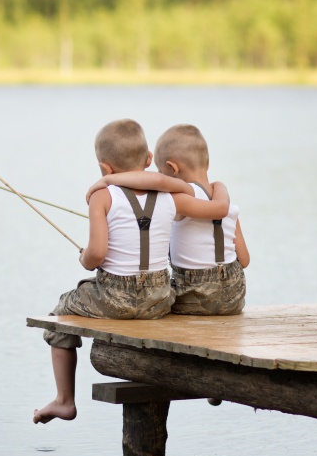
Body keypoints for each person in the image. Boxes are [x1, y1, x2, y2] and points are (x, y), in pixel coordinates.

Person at [34, 119, 229, 424]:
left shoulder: (103, 196)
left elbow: (97, 254)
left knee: (60, 314)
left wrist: (84, 258)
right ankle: (214, 378)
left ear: (104, 168)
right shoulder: (171, 196)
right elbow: (174, 184)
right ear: (150, 160)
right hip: (160, 298)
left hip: (115, 297)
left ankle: (64, 400)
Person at [90, 123, 249, 316]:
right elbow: (245, 260)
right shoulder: (226, 200)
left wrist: (108, 180)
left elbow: (157, 182)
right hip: (235, 297)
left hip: (193, 297)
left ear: (171, 168)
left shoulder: (181, 197)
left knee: (160, 296)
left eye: (160, 170)